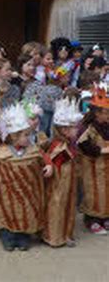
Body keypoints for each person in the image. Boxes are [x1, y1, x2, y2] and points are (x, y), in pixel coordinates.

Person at [0, 103, 53, 251]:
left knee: (26, 212)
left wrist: (49, 165)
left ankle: (23, 237)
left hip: (27, 191)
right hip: (6, 192)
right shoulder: (1, 151)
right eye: (25, 135)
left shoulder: (33, 149)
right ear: (14, 136)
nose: (28, 138)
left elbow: (44, 156)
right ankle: (8, 238)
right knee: (7, 212)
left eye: (28, 134)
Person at [43, 98, 83, 247]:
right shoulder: (59, 146)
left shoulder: (68, 144)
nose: (77, 130)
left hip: (68, 183)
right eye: (74, 127)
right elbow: (54, 162)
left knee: (67, 206)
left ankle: (65, 233)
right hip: (58, 185)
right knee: (57, 207)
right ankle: (54, 236)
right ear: (64, 130)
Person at [77, 83, 109, 235]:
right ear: (97, 113)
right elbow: (83, 144)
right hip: (93, 167)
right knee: (94, 193)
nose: (108, 115)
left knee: (106, 192)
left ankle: (105, 217)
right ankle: (92, 219)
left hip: (106, 167)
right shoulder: (88, 127)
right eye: (105, 112)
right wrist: (101, 150)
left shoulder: (107, 125)